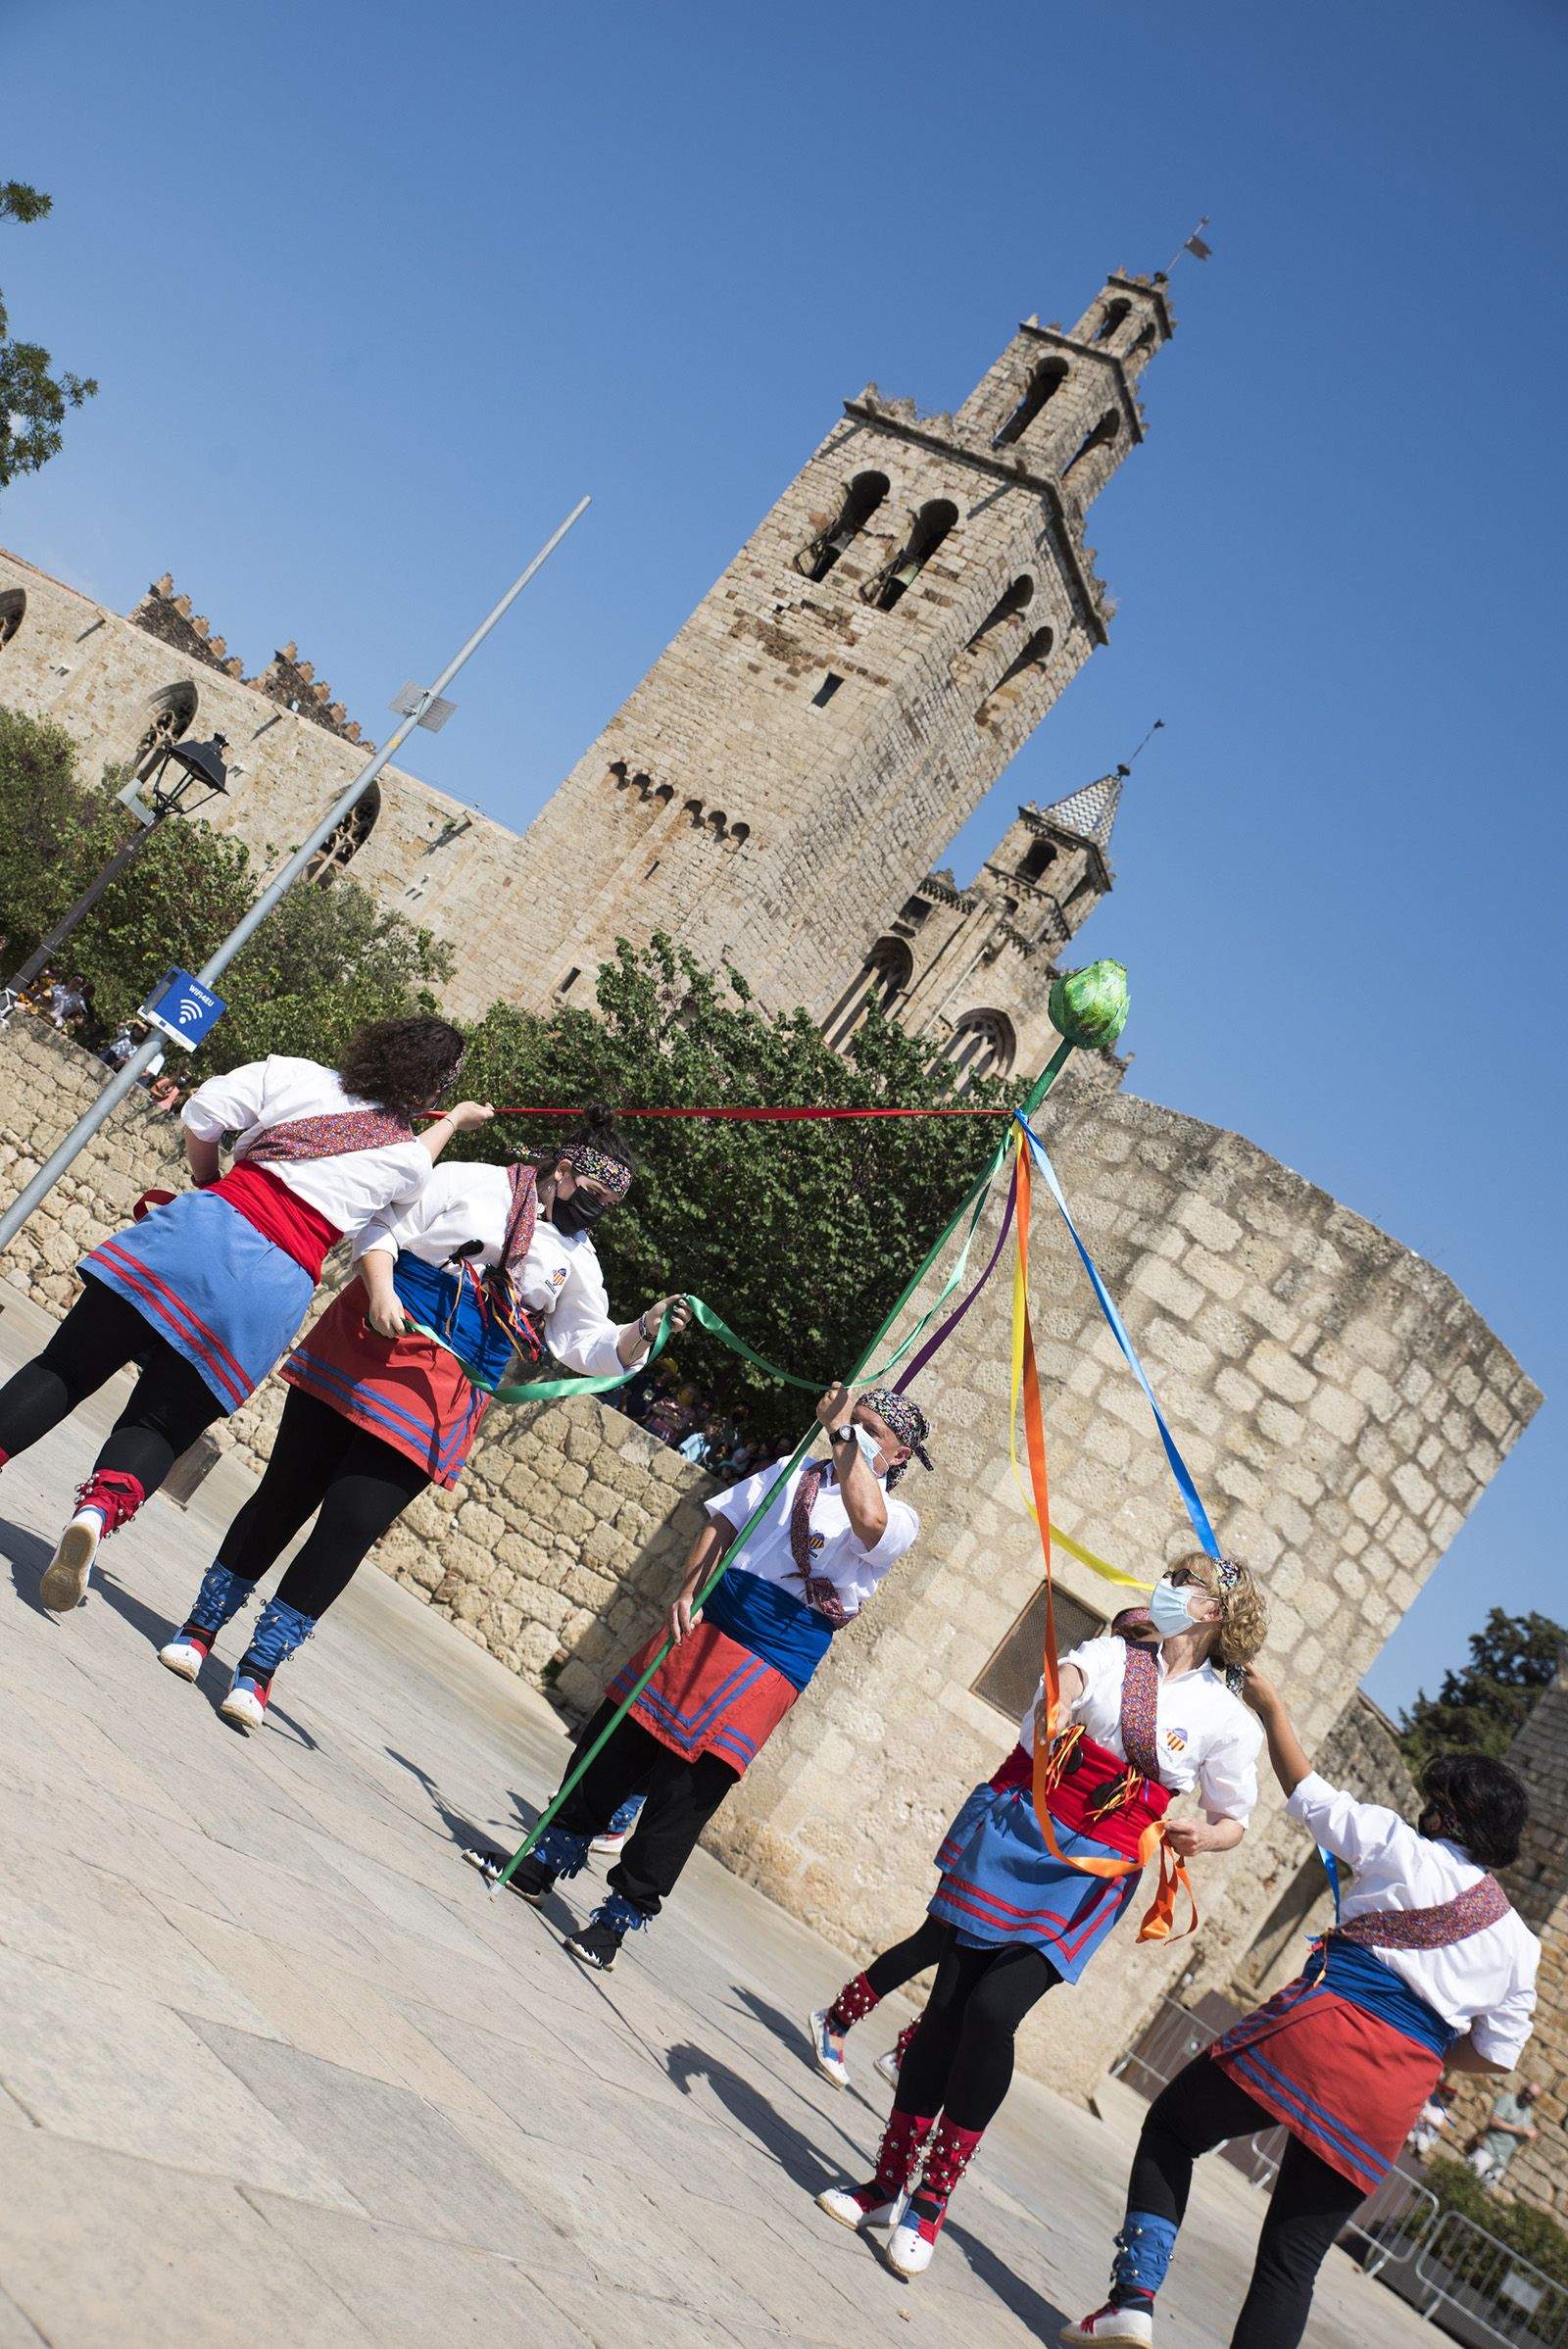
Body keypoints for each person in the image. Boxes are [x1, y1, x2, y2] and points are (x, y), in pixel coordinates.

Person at [158, 1106, 691, 1733]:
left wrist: (643, 1331)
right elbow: (386, 1223)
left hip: (447, 1387)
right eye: (595, 1195)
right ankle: (201, 1626)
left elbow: (588, 1346)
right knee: (287, 1492)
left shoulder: (578, 1260)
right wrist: (380, 1288)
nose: (596, 1212)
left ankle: (261, 1666)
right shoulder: (472, 1181)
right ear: (566, 1170)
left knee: (351, 1525)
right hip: (375, 1336)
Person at [816, 1556, 1265, 2281]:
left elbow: (1233, 1816)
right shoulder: (1117, 1652)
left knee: (994, 2010)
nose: (1169, 1583)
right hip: (1027, 1825)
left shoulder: (1228, 1719)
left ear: (1215, 1611)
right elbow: (1073, 1680)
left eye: (1187, 1578)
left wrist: (1203, 1836)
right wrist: (1062, 1697)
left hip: (1094, 1872)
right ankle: (885, 2184)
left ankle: (931, 2201)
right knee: (947, 2008)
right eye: (1172, 1572)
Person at [1061, 1672, 1540, 2349]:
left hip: (1317, 2032)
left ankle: (1131, 2299)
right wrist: (1424, 2049)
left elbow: (1307, 1792)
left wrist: (1273, 1705)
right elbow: (1494, 2054)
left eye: (1434, 1803)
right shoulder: (1522, 1946)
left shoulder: (1399, 1846)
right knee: (1291, 2265)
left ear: (1449, 1816)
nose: (1423, 1813)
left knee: (1173, 2128)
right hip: (1390, 2093)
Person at [0, 1018, 481, 1614]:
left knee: (67, 1369)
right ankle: (97, 1514)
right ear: (429, 1092)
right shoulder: (410, 1161)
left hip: (199, 1235)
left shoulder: (293, 1075)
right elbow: (389, 1213)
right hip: (270, 1290)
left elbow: (201, 1114)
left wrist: (207, 1180)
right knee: (160, 1426)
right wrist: (455, 1124)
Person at [462, 1381, 933, 1975]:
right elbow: (723, 1521)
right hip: (713, 1615)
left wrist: (843, 1434)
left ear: (898, 1458)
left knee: (687, 1791)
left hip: (775, 1653)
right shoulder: (794, 1470)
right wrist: (688, 1589)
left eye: (875, 1433)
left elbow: (865, 1522)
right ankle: (543, 1863)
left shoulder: (901, 1519)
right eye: (855, 1421)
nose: (859, 1436)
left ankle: (617, 1918)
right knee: (614, 1740)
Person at [808, 1606, 1159, 2093]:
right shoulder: (1081, 1693)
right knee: (939, 1941)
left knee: (981, 1966)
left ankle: (908, 2051)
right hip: (1001, 1825)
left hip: (1035, 1852)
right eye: (1143, 1650)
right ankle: (839, 2019)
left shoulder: (1119, 1729)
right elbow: (1039, 1741)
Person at [1467, 2080, 1540, 2181]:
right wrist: (1518, 2130)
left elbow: (1525, 2132)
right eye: (1527, 2092)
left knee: (1479, 2190)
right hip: (1489, 2149)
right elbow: (1494, 2121)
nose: (1528, 2096)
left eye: (1532, 2096)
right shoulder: (1508, 2100)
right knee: (1466, 2178)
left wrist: (1531, 2134)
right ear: (1522, 2089)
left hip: (1502, 2160)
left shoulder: (1528, 2112)